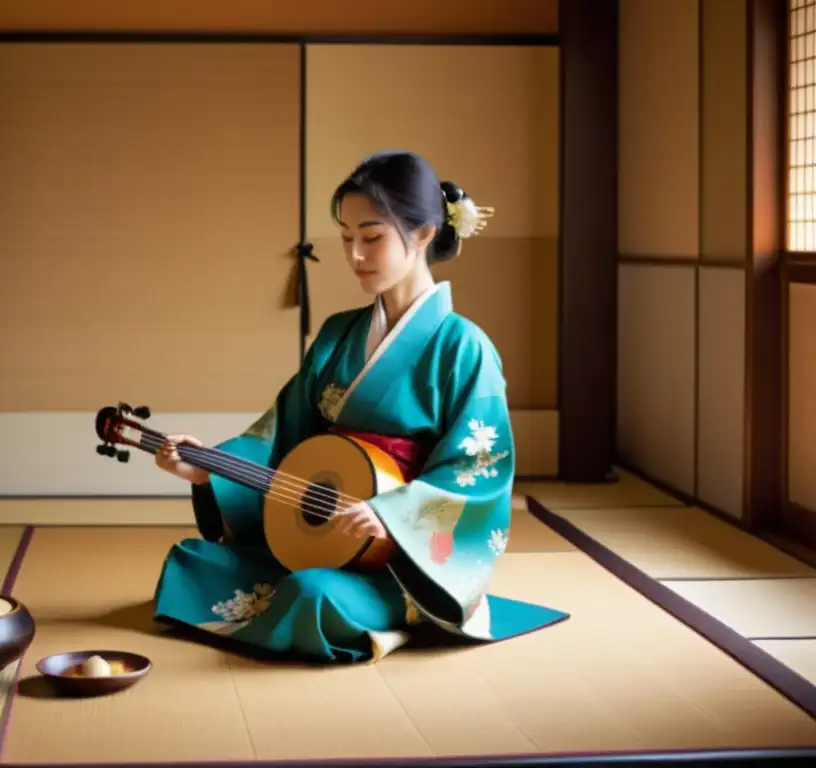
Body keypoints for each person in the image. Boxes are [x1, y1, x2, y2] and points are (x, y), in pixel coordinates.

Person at [151, 150, 567, 663]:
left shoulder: (465, 347)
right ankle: (359, 618)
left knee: (312, 597)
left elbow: (476, 474)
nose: (355, 255)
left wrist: (394, 513)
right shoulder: (336, 335)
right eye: (347, 238)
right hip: (324, 539)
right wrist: (208, 472)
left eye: (372, 237)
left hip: (402, 560)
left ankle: (397, 617)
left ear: (423, 234)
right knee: (191, 563)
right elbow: (283, 436)